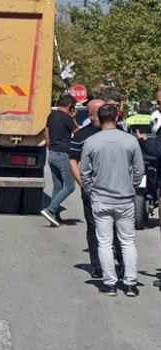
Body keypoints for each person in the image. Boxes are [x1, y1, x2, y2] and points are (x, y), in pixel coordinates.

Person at [80, 104, 144, 297]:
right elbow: (139, 170)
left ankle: (109, 283)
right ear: (117, 118)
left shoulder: (91, 142)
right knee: (127, 241)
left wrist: (92, 191)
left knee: (105, 242)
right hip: (124, 198)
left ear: (99, 119)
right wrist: (131, 185)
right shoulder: (130, 141)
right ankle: (131, 283)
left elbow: (85, 173)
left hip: (101, 198)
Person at [68, 99, 125, 279]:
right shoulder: (82, 135)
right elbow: (73, 161)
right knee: (94, 227)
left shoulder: (119, 132)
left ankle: (122, 265)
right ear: (92, 114)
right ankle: (98, 265)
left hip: (116, 189)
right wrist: (83, 184)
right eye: (101, 111)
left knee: (118, 228)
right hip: (92, 190)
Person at [41, 94, 79, 227]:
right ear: (70, 107)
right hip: (63, 154)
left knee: (57, 185)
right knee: (70, 186)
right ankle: (50, 209)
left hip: (51, 153)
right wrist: (73, 119)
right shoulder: (67, 118)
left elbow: (46, 133)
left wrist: (50, 146)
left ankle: (54, 216)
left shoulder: (51, 116)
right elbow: (78, 133)